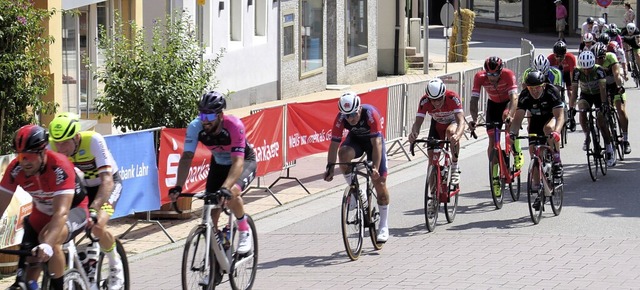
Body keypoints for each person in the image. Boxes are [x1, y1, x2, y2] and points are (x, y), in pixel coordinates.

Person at [0, 125, 88, 290]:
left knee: (50, 241)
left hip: (73, 210)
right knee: (27, 273)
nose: (24, 161)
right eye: (20, 156)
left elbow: (61, 213)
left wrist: (47, 244)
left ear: (42, 152)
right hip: (41, 214)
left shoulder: (59, 167)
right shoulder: (15, 169)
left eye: (28, 156)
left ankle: (58, 287)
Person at [169, 91, 256, 254]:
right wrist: (178, 187)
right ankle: (217, 253)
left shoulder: (234, 126)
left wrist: (226, 187)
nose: (205, 122)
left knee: (232, 192)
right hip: (219, 163)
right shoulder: (195, 127)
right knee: (211, 207)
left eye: (209, 117)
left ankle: (244, 230)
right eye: (202, 116)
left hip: (243, 161)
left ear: (220, 115)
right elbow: (187, 157)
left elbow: (238, 162)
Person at [48, 112, 125, 289]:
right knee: (63, 226)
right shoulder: (53, 146)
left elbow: (107, 180)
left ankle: (115, 265)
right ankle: (76, 269)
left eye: (66, 142)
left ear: (76, 136)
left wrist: (94, 209)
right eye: (57, 142)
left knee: (97, 225)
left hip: (108, 185)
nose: (61, 148)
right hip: (83, 187)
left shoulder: (93, 140)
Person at [324, 92, 391, 242]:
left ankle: (384, 225)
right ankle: (355, 191)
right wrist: (329, 167)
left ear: (359, 109)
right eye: (347, 116)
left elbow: (377, 144)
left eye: (353, 114)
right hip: (356, 141)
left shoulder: (370, 114)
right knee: (343, 154)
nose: (351, 119)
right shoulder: (341, 118)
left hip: (374, 143)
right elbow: (334, 144)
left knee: (379, 182)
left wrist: (375, 167)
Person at [510, 70, 565, 209]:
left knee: (548, 129)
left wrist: (557, 132)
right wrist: (512, 134)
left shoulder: (551, 92)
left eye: (537, 88)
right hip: (535, 121)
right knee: (533, 152)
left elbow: (560, 117)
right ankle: (537, 188)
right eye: (531, 88)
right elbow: (517, 120)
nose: (534, 91)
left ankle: (557, 160)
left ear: (543, 85)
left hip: (552, 118)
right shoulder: (525, 96)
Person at [469, 56, 523, 196]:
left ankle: (516, 149)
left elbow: (514, 98)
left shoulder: (508, 75)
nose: (492, 78)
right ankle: (495, 170)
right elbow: (474, 100)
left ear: (500, 70)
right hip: (493, 105)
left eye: (495, 74)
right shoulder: (479, 77)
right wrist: (474, 119)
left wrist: (511, 114)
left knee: (506, 117)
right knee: (492, 141)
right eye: (489, 74)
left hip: (507, 103)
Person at [408, 78, 466, 184]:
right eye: (433, 100)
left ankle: (454, 166)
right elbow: (417, 123)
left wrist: (457, 135)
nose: (436, 102)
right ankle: (433, 197)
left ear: (444, 94)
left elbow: (461, 121)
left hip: (452, 122)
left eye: (439, 99)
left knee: (451, 132)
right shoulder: (424, 101)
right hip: (437, 125)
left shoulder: (452, 97)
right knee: (432, 161)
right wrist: (414, 133)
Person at [570, 51, 616, 167]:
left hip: (599, 95)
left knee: (601, 121)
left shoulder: (599, 70)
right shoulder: (577, 72)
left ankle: (609, 149)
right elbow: (574, 92)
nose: (586, 71)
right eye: (584, 69)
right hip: (586, 95)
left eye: (589, 69)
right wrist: (571, 108)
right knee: (582, 110)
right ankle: (587, 135)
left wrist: (604, 104)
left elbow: (602, 89)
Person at [592, 43, 633, 154]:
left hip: (615, 85)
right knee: (602, 114)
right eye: (596, 58)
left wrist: (619, 87)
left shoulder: (611, 57)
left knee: (621, 110)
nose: (598, 60)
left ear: (605, 55)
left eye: (600, 58)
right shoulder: (591, 62)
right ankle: (608, 141)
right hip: (602, 87)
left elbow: (616, 74)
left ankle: (625, 140)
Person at [548, 41, 578, 130]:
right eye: (557, 56)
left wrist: (573, 86)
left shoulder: (570, 57)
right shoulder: (550, 59)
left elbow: (573, 74)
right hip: (556, 75)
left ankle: (572, 111)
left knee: (570, 91)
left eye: (562, 56)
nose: (559, 59)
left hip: (567, 74)